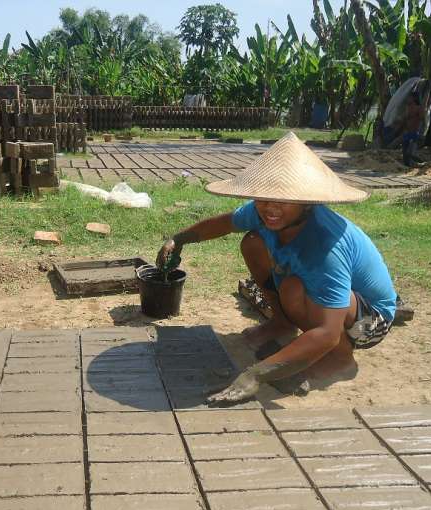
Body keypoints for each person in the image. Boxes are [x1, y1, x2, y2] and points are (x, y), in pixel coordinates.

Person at [156, 132, 398, 404]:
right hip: (334, 304)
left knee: (296, 288)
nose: (270, 208)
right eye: (263, 198)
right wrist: (178, 239)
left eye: (282, 200)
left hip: (371, 321)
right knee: (253, 242)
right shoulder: (264, 211)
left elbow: (328, 333)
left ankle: (341, 359)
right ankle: (282, 324)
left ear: (306, 202)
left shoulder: (325, 246)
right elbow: (224, 223)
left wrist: (256, 375)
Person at [402, 92, 425, 167]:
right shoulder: (407, 107)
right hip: (407, 132)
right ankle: (408, 163)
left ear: (414, 98)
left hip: (415, 132)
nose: (409, 98)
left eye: (410, 97)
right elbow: (405, 120)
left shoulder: (419, 108)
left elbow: (422, 120)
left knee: (411, 152)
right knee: (405, 154)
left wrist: (420, 132)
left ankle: (417, 162)